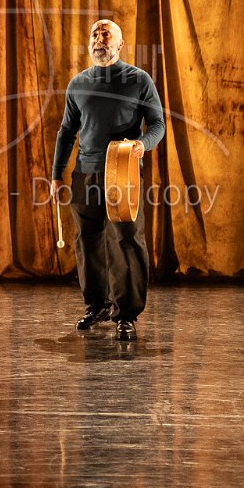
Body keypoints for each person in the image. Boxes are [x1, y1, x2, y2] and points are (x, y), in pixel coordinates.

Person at [51, 19, 165, 342]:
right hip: (84, 173)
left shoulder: (138, 80)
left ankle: (126, 314)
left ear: (120, 44)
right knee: (87, 240)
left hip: (122, 172)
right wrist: (57, 174)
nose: (99, 38)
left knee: (126, 240)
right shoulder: (77, 84)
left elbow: (157, 124)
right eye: (94, 34)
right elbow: (67, 132)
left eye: (106, 34)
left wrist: (143, 144)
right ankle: (97, 305)